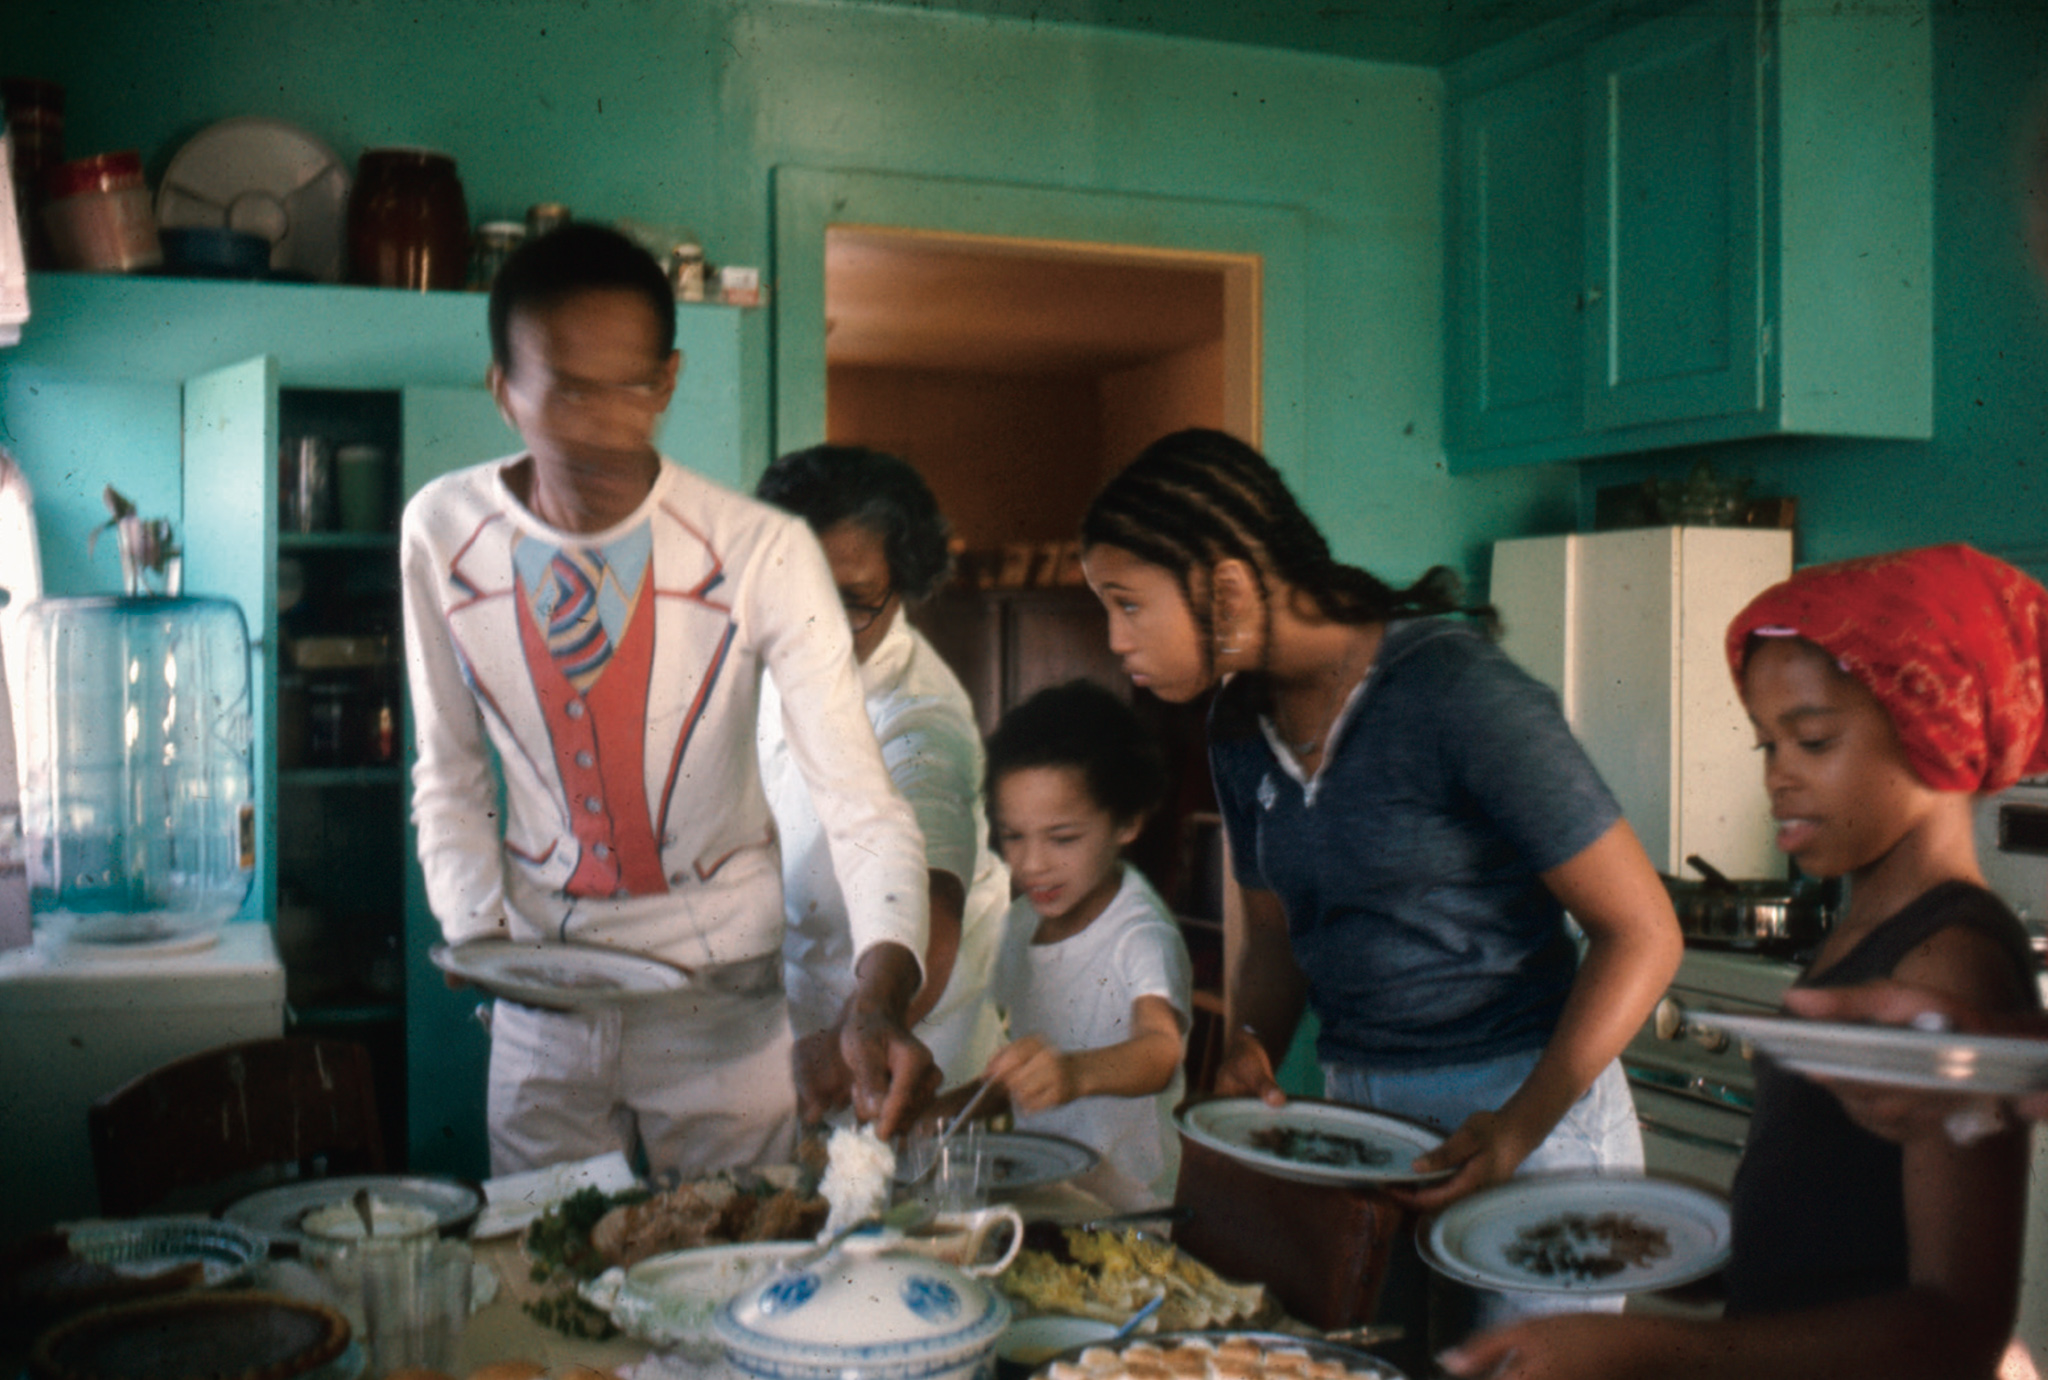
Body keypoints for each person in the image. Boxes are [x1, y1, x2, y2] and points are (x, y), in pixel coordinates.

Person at [1078, 428, 1683, 1336]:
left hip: (1533, 1123)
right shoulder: (1238, 728)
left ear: (1225, 581)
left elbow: (1644, 933)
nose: (1116, 638)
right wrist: (1250, 1045)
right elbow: (1278, 933)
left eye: (1127, 604)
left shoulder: (1455, 694)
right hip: (1363, 1123)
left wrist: (1516, 1127)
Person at [400, 224, 934, 1179]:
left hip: (720, 1015)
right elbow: (449, 763)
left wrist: (877, 997)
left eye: (633, 389)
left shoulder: (759, 549)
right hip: (541, 1009)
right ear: (503, 388)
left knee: (736, 1277)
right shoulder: (442, 531)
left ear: (671, 382)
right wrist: (480, 939)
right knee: (541, 1271)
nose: (602, 426)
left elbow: (861, 802)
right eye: (564, 387)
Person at [1443, 544, 2043, 1380]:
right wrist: (1649, 1246)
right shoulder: (1869, 927)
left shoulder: (1947, 962)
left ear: (1931, 730)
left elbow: (1952, 1329)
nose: (1780, 776)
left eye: (1814, 740)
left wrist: (1647, 1350)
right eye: (1768, 745)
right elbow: (1828, 1236)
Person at [754, 444, 1010, 1109]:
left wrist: (868, 1019)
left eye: (855, 601)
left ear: (906, 588)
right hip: (794, 1048)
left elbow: (932, 898)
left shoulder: (922, 720)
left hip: (901, 1068)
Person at [952, 679, 1192, 1211]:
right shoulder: (1018, 924)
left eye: (1062, 838)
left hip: (1130, 1207)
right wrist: (939, 1110)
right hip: (1043, 1190)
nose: (1032, 863)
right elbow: (1007, 1065)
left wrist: (1075, 1074)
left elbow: (1161, 1051)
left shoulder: (1139, 932)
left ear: (1128, 820)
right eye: (1014, 836)